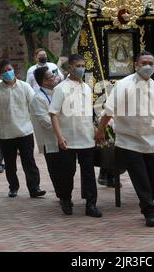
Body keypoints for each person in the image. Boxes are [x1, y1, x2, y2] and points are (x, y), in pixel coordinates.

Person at [96, 51, 154, 227]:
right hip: (129, 142)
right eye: (144, 62)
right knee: (141, 179)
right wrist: (100, 131)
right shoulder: (123, 85)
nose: (147, 66)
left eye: (151, 63)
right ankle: (150, 212)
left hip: (151, 142)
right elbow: (108, 111)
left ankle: (147, 203)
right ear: (136, 65)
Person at [0, 59, 46, 198]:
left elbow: (35, 105)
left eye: (9, 70)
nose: (7, 73)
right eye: (4, 71)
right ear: (0, 74)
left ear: (13, 70)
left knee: (29, 162)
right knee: (10, 164)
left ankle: (35, 188)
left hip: (25, 131)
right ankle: (13, 187)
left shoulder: (25, 87)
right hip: (6, 134)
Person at [49, 54, 102, 218]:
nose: (81, 68)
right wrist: (59, 137)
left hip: (86, 137)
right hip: (68, 138)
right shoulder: (60, 89)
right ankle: (65, 199)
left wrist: (95, 131)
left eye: (82, 65)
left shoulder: (87, 87)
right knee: (67, 172)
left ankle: (91, 204)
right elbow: (53, 114)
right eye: (78, 66)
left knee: (89, 173)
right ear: (70, 67)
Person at [30, 66, 62, 199]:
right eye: (51, 77)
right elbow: (45, 121)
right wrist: (63, 126)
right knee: (56, 170)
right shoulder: (38, 98)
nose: (54, 79)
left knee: (65, 170)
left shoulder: (56, 92)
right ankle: (62, 196)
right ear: (44, 82)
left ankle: (64, 194)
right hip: (49, 141)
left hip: (61, 138)